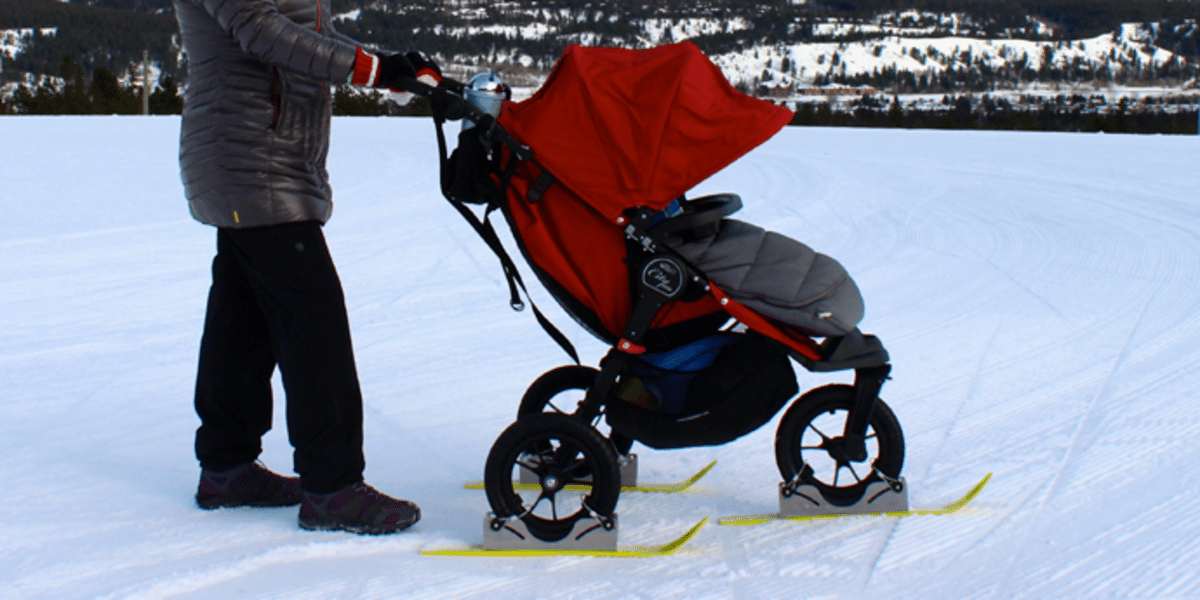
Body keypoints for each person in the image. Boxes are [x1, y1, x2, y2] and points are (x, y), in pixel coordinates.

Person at [173, 0, 440, 535]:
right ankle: (333, 486)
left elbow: (305, 26)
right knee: (313, 323)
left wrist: (385, 62)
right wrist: (371, 68)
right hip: (249, 155)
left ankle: (226, 467)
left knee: (242, 320)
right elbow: (261, 31)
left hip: (266, 154)